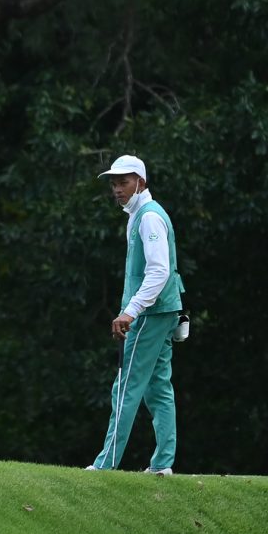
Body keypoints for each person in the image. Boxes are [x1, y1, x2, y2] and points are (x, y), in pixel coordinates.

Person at [85, 153, 184, 474]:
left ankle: (105, 465)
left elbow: (159, 271)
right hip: (164, 310)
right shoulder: (140, 214)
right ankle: (163, 465)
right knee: (158, 388)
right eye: (114, 183)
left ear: (141, 182)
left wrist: (130, 311)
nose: (117, 189)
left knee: (125, 387)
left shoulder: (149, 217)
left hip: (150, 315)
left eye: (123, 182)